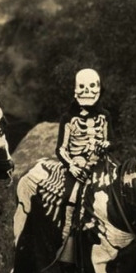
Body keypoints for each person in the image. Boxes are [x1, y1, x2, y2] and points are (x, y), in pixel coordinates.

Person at [55, 68, 114, 262]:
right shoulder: (68, 118)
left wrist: (105, 145)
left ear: (98, 89)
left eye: (92, 86)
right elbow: (61, 149)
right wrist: (71, 165)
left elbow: (111, 141)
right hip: (79, 167)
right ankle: (65, 243)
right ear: (75, 90)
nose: (87, 91)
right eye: (82, 86)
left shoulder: (104, 116)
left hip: (101, 165)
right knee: (70, 200)